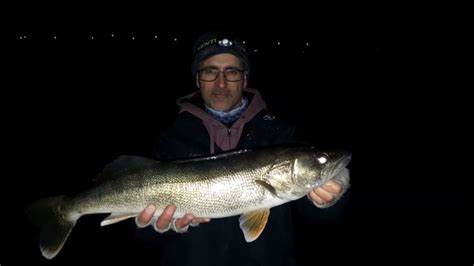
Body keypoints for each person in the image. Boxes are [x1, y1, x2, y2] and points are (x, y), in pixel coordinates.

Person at [134, 31, 350, 266]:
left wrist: (328, 200)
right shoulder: (170, 137)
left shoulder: (282, 134)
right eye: (210, 71)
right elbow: (143, 236)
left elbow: (319, 220)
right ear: (197, 79)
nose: (221, 82)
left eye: (232, 72)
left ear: (245, 79)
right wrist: (160, 228)